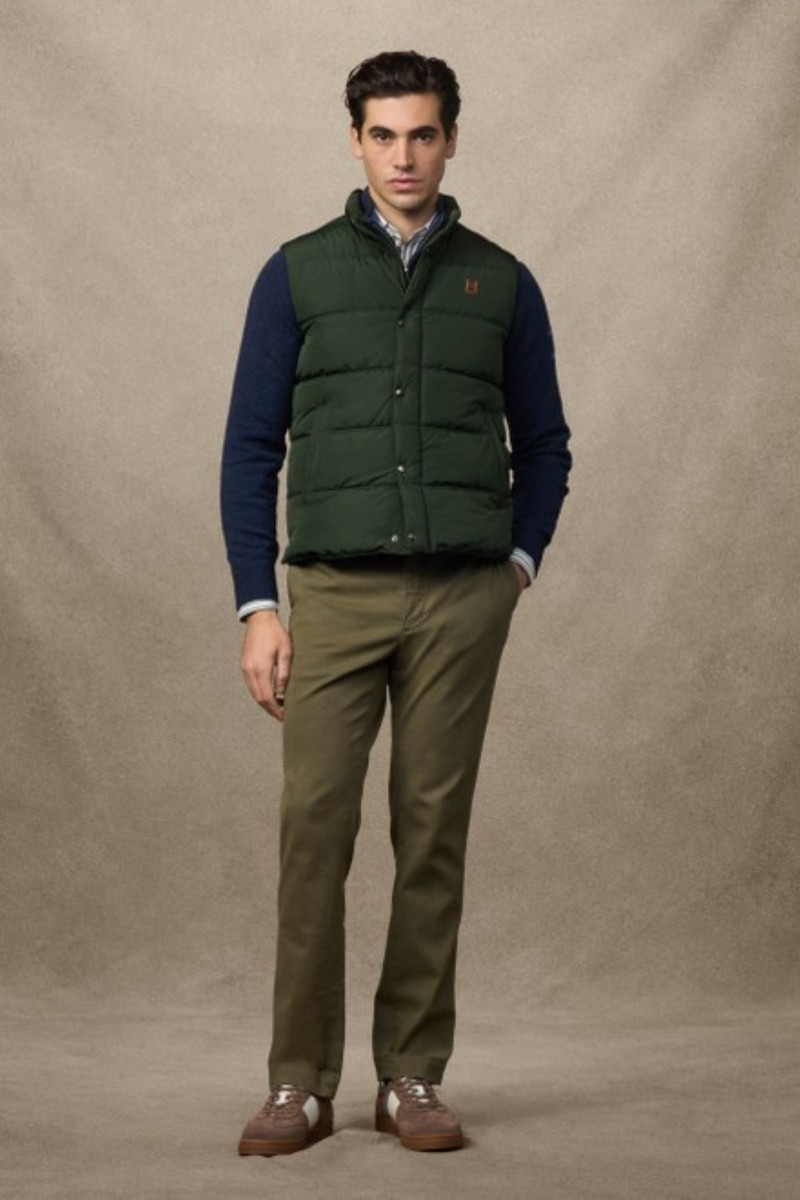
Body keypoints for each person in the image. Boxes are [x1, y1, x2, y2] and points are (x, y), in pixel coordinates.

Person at [220, 49, 572, 1156]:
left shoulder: (501, 282)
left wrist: (516, 567)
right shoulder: (295, 274)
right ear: (355, 141)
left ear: (450, 139)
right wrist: (257, 605)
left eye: (422, 134)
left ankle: (411, 1076)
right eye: (383, 135)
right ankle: (297, 1084)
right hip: (332, 594)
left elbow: (547, 446)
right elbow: (250, 448)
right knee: (312, 833)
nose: (403, 156)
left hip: (462, 598)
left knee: (431, 838)